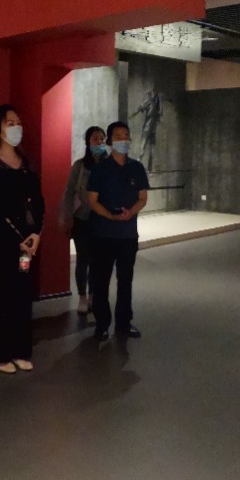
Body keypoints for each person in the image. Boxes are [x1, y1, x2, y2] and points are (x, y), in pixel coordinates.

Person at [0, 105, 43, 374]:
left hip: (28, 242)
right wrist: (21, 236)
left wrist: (36, 233)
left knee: (22, 293)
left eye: (18, 122)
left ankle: (20, 349)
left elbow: (38, 200)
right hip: (2, 240)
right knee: (2, 294)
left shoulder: (25, 162)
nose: (16, 127)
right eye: (10, 123)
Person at [86, 121, 149, 342]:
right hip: (103, 235)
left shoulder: (136, 168)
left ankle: (124, 322)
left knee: (125, 281)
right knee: (101, 281)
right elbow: (92, 200)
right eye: (118, 136)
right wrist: (110, 216)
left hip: (127, 235)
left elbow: (143, 197)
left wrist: (131, 212)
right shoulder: (100, 169)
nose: (123, 140)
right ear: (110, 141)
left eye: (126, 136)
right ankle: (102, 324)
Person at [59, 125, 108, 318]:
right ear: (88, 142)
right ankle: (82, 297)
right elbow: (69, 192)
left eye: (102, 139)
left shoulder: (110, 165)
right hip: (82, 218)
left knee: (98, 261)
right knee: (83, 259)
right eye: (95, 138)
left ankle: (93, 295)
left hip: (102, 220)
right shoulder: (80, 166)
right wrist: (67, 217)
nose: (99, 142)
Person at [129, 90, 161, 172]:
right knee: (151, 146)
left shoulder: (149, 102)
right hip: (153, 128)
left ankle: (139, 163)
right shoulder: (157, 105)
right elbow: (159, 115)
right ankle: (149, 166)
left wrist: (132, 115)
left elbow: (140, 108)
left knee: (143, 145)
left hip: (147, 128)